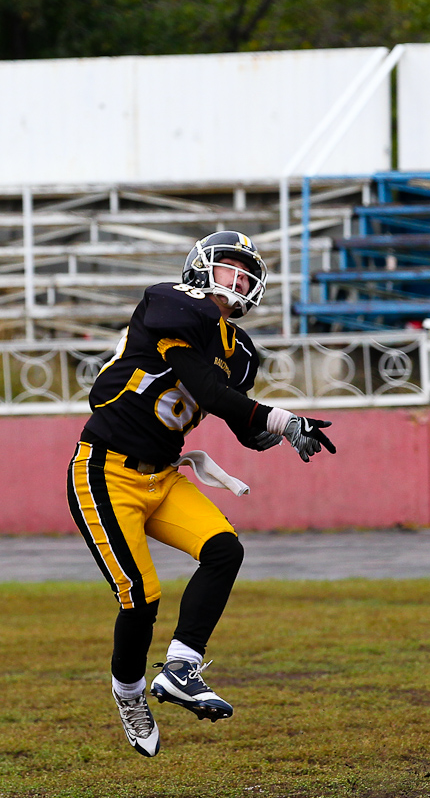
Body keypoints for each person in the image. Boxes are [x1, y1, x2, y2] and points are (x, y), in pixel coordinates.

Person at [66, 230, 336, 758]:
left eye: (247, 273)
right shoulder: (169, 303)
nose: (239, 279)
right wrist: (280, 419)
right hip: (105, 470)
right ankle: (129, 694)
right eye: (229, 266)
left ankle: (182, 667)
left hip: (163, 475)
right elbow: (205, 388)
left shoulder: (241, 352)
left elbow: (236, 418)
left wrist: (272, 434)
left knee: (224, 550)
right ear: (201, 267)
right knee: (140, 597)